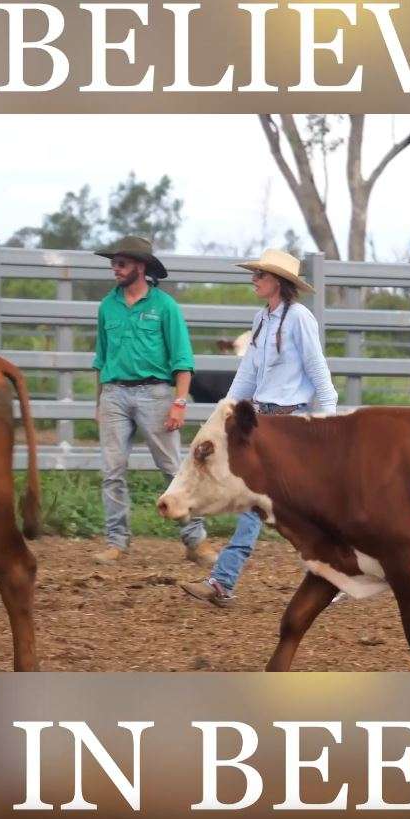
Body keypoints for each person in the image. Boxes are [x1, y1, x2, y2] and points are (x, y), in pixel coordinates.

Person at [180, 248, 338, 607]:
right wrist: (225, 412)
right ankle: (335, 573)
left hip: (290, 420)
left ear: (278, 282)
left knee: (260, 504)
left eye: (260, 275)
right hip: (264, 420)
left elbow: (318, 371)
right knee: (282, 506)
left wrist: (326, 423)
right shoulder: (262, 319)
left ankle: (223, 581)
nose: (254, 280)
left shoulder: (299, 318)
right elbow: (248, 373)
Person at [92, 235, 216, 568]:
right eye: (114, 263)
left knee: (172, 469)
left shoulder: (165, 307)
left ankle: (195, 540)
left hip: (156, 393)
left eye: (121, 263)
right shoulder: (107, 307)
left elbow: (182, 358)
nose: (115, 269)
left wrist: (179, 401)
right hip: (114, 393)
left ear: (140, 267)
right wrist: (99, 400)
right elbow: (101, 360)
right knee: (112, 471)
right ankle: (116, 542)